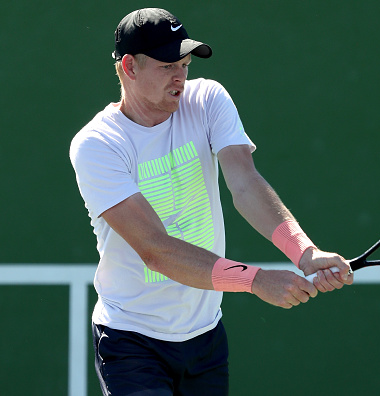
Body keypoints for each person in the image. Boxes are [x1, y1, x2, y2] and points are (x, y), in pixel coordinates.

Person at [69, 7, 353, 396]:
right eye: (169, 65)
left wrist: (304, 252)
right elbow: (155, 250)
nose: (181, 76)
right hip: (131, 341)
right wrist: (256, 281)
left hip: (205, 338)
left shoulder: (207, 99)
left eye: (184, 64)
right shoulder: (97, 145)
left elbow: (246, 184)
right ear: (130, 68)